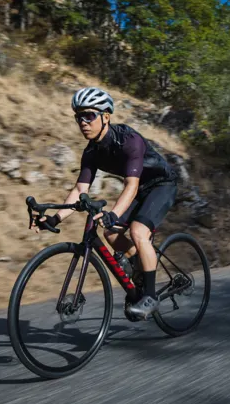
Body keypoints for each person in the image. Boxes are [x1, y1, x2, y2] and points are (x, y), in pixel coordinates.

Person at [32, 87, 179, 320]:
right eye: (78, 117)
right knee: (111, 233)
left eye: (89, 115)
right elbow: (80, 189)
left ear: (106, 117)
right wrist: (54, 217)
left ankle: (150, 296)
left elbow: (130, 186)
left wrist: (113, 213)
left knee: (138, 231)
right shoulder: (91, 152)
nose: (83, 122)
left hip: (162, 185)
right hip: (140, 188)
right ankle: (140, 267)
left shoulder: (129, 140)